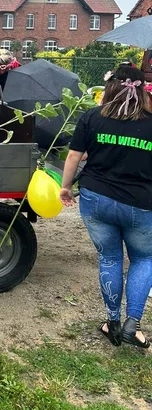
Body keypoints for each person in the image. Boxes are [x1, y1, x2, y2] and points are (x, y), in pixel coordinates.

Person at [60, 64, 152, 349]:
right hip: (140, 204)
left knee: (110, 258)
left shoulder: (92, 117)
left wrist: (65, 187)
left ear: (110, 87)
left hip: (96, 198)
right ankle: (131, 325)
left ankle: (111, 322)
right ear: (142, 90)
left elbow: (74, 155)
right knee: (144, 259)